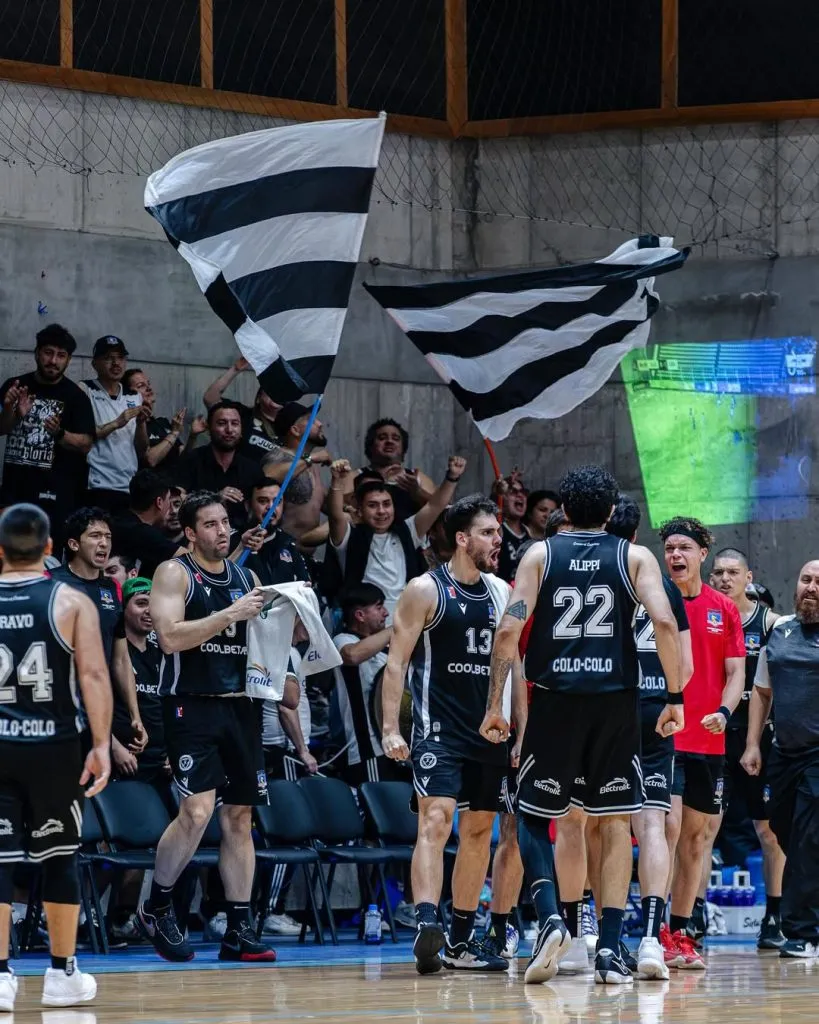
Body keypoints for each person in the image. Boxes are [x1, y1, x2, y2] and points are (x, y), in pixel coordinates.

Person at [484, 465, 684, 986]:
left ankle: (552, 916)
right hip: (617, 703)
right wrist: (675, 696)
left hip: (555, 701)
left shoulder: (540, 554)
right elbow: (664, 622)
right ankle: (612, 950)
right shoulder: (635, 557)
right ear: (613, 511)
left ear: (564, 512)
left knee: (531, 815)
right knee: (617, 821)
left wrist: (495, 707)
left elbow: (508, 632)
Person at [382, 495, 524, 975]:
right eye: (488, 533)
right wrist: (389, 728)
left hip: (490, 733)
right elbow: (396, 662)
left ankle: (462, 938)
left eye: (499, 533)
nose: (497, 540)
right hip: (436, 730)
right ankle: (427, 923)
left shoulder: (502, 592)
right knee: (436, 820)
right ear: (462, 538)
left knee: (479, 831)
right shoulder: (425, 589)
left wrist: (521, 731)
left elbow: (515, 667)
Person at [137, 491, 275, 963]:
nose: (223, 531)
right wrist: (228, 615)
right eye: (211, 525)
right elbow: (170, 637)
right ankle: (157, 906)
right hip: (190, 706)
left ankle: (239, 927)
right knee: (196, 812)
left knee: (239, 817)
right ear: (191, 532)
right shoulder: (175, 573)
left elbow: (264, 637)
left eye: (226, 523)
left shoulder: (247, 576)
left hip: (242, 707)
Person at [0, 503, 112, 1010]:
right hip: (54, 748)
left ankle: (1, 976)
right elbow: (92, 676)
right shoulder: (71, 600)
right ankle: (62, 974)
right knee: (61, 856)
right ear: (49, 548)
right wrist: (102, 744)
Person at [606, 495, 694, 980]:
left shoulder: (589, 574)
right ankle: (650, 940)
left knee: (604, 826)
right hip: (658, 704)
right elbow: (686, 662)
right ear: (637, 535)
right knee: (654, 827)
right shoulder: (662, 583)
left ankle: (601, 937)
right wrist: (674, 698)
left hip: (605, 707)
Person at [661, 517, 745, 970]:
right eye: (670, 547)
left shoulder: (724, 608)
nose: (675, 555)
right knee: (669, 831)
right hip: (666, 738)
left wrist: (725, 713)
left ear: (702, 554)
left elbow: (736, 673)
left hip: (709, 744)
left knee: (695, 841)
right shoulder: (654, 601)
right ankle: (656, 933)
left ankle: (681, 931)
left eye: (684, 548)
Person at [708, 548, 784, 949]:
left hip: (758, 736)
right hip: (712, 733)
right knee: (702, 829)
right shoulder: (703, 614)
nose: (724, 578)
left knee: (768, 831)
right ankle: (694, 915)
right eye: (717, 572)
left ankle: (774, 915)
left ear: (748, 576)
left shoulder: (770, 622)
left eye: (732, 572)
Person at [743, 560, 819, 958]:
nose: (811, 587)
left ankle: (803, 932)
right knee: (785, 832)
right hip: (783, 753)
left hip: (818, 758)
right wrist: (753, 743)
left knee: (808, 840)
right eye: (806, 579)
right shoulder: (781, 628)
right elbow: (761, 691)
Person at [50, 508, 147, 756]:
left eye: (108, 536)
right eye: (94, 536)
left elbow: (121, 658)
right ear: (73, 544)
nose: (104, 542)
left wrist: (135, 715)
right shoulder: (49, 583)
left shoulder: (112, 589)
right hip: (56, 714)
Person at [328, 457, 467, 622]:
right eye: (372, 505)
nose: (381, 511)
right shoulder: (349, 536)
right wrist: (336, 481)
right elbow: (335, 516)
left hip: (407, 622)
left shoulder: (408, 531)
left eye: (386, 504)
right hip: (365, 625)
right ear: (359, 510)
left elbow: (435, 506)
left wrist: (452, 477)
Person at [0, 324, 94, 527]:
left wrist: (59, 433)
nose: (53, 361)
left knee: (48, 557)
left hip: (55, 497)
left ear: (68, 360)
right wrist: (11, 411)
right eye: (48, 353)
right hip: (13, 493)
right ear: (37, 353)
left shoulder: (76, 397)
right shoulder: (14, 386)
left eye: (61, 355)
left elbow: (86, 443)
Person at [333, 584, 398, 786]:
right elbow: (353, 655)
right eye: (379, 607)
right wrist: (398, 627)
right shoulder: (342, 640)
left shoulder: (390, 646)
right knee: (377, 814)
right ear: (360, 615)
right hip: (368, 749)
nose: (386, 612)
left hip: (397, 747)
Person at [79, 336, 147, 511]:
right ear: (95, 364)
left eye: (120, 357)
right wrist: (117, 422)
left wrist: (141, 425)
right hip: (97, 485)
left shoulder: (134, 396)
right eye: (108, 358)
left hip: (129, 486)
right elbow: (81, 437)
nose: (116, 363)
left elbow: (141, 449)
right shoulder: (85, 389)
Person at [113, 578, 168, 785]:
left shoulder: (163, 654)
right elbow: (93, 706)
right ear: (123, 608)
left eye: (153, 604)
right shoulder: (113, 656)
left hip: (162, 764)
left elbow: (174, 709)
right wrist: (114, 747)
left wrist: (175, 750)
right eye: (141, 603)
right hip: (127, 761)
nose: (149, 611)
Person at [174, 402, 259, 532]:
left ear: (241, 430)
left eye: (235, 423)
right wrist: (215, 499)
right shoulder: (192, 460)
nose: (229, 430)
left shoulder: (251, 468)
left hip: (242, 539)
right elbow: (176, 500)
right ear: (209, 428)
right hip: (198, 536)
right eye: (222, 423)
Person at [261, 403, 333, 543]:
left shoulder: (310, 465)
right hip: (282, 557)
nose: (320, 424)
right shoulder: (278, 457)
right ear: (295, 430)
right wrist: (312, 458)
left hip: (306, 558)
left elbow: (319, 503)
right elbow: (267, 476)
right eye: (311, 420)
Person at [351, 418, 436, 523]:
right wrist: (381, 482)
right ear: (371, 446)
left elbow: (443, 511)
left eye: (396, 438)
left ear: (403, 448)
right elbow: (337, 510)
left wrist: (418, 493)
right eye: (382, 438)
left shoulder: (417, 477)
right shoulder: (355, 476)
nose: (389, 441)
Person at [232, 478, 310, 586]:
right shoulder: (233, 540)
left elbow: (305, 585)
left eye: (277, 502)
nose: (271, 507)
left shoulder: (288, 544)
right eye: (263, 501)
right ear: (248, 505)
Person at [202, 356, 282, 462]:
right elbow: (210, 398)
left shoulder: (290, 423)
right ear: (258, 398)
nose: (275, 394)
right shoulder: (243, 414)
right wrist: (235, 369)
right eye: (270, 390)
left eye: (280, 392)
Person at [111, 470, 187, 579]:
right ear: (159, 502)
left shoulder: (122, 520)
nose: (171, 508)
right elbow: (191, 558)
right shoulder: (140, 533)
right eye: (168, 500)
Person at [122, 368, 191, 468]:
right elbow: (150, 460)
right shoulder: (131, 426)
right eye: (141, 386)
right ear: (129, 394)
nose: (149, 388)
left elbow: (185, 458)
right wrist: (174, 433)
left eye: (148, 384)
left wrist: (193, 435)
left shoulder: (162, 422)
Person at [492, 471, 529, 583]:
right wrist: (498, 493)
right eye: (513, 491)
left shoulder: (529, 531)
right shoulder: (497, 529)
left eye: (523, 491)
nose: (520, 495)